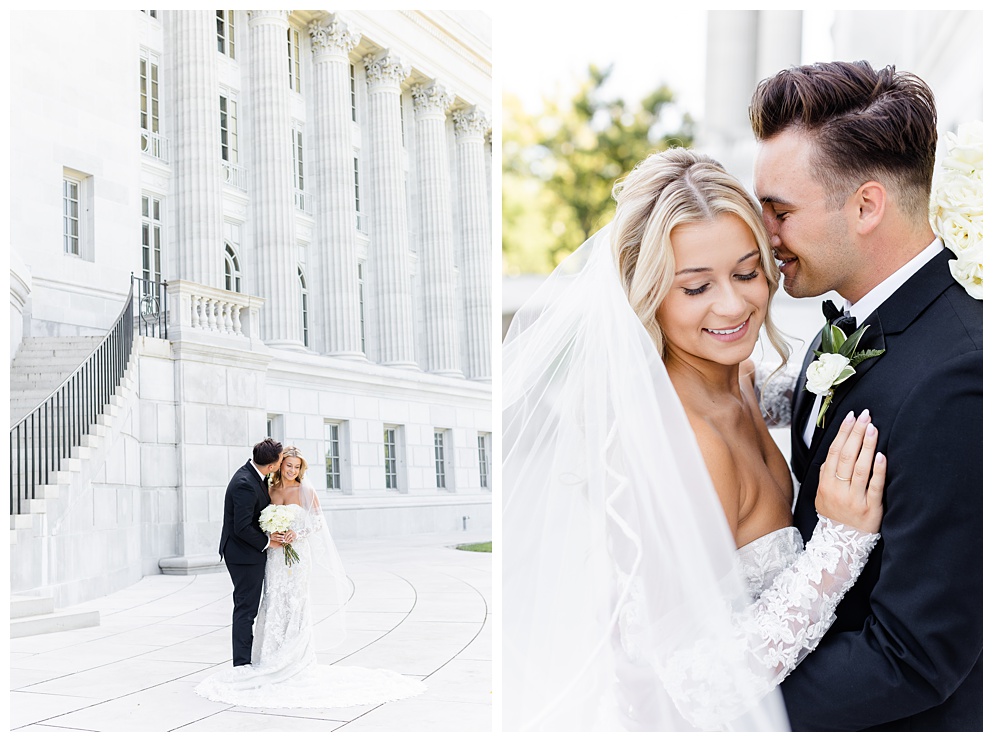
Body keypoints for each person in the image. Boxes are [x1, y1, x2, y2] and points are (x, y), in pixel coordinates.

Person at [503, 148, 885, 732]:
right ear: (648, 291)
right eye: (695, 287)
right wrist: (838, 547)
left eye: (746, 272)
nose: (732, 305)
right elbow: (698, 684)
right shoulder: (685, 446)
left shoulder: (741, 382)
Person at [750, 60, 982, 731]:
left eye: (780, 211)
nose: (764, 235)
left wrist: (729, 716)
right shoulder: (845, 329)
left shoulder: (958, 378)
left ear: (865, 206)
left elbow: (914, 655)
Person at [197, 447, 425, 708]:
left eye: (296, 466)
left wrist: (297, 534)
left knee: (295, 602)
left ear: (301, 468)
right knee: (272, 602)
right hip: (273, 556)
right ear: (279, 466)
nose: (292, 470)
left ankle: (294, 658)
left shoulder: (306, 490)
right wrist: (271, 535)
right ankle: (267, 656)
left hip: (296, 555)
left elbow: (318, 522)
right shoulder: (266, 489)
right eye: (288, 466)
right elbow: (253, 522)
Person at [217, 437, 284, 667]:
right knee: (246, 610)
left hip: (247, 553)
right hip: (243, 556)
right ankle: (242, 664)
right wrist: (268, 542)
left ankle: (247, 659)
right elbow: (242, 527)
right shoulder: (245, 482)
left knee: (247, 608)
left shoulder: (254, 475)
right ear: (272, 465)